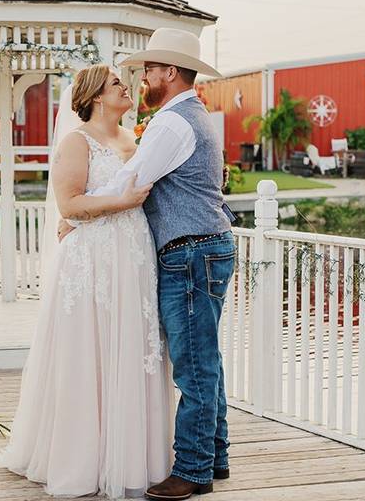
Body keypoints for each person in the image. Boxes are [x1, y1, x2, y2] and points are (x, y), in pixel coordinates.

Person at [66, 28, 235, 500]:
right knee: (207, 358)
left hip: (191, 251)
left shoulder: (170, 123)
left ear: (171, 73)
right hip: (205, 247)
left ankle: (195, 470)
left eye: (149, 70)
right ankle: (215, 455)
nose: (141, 77)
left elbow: (131, 181)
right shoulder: (192, 116)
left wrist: (77, 210)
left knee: (194, 366)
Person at [0, 64, 173, 499]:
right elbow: (69, 203)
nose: (126, 87)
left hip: (132, 255)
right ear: (96, 96)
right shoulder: (76, 141)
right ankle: (83, 458)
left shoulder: (134, 139)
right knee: (89, 351)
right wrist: (117, 201)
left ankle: (132, 454)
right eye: (117, 83)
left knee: (131, 348)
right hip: (92, 260)